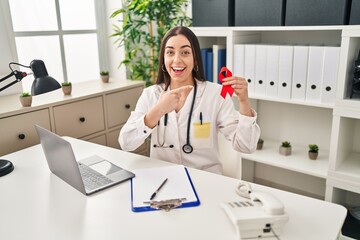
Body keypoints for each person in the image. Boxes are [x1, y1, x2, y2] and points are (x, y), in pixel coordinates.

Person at [119, 26, 260, 174]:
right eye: (170, 52)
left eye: (185, 52)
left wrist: (244, 102)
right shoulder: (150, 95)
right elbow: (126, 143)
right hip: (164, 180)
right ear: (163, 58)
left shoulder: (216, 95)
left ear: (195, 58)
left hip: (205, 180)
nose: (176, 60)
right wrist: (158, 110)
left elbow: (246, 146)